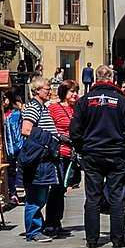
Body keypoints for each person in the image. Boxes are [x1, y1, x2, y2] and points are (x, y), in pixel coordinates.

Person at [69, 65, 125, 248]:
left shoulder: (84, 101)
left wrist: (81, 148)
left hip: (92, 153)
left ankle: (92, 240)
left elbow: (74, 130)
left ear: (95, 78)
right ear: (112, 78)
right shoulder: (121, 101)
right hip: (116, 154)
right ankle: (117, 239)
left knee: (92, 197)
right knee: (116, 196)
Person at [19, 75, 61, 242]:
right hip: (38, 160)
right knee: (36, 196)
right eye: (47, 89)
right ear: (36, 90)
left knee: (41, 195)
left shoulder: (42, 107)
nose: (50, 91)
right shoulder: (33, 107)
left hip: (45, 158)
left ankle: (38, 228)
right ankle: (33, 231)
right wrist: (47, 140)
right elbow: (27, 129)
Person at [43, 81, 78, 238]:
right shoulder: (54, 108)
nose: (74, 94)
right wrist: (61, 138)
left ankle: (57, 221)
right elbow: (48, 129)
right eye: (71, 91)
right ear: (64, 92)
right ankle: (51, 222)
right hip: (59, 152)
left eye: (75, 91)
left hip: (71, 154)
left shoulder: (75, 108)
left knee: (63, 189)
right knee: (56, 188)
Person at [3, 93, 24, 206]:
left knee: (22, 169)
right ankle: (13, 194)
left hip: (19, 146)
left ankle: (25, 191)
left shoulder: (16, 113)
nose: (4, 101)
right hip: (7, 148)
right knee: (10, 171)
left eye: (5, 99)